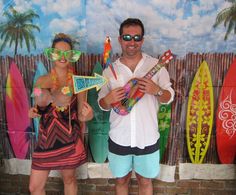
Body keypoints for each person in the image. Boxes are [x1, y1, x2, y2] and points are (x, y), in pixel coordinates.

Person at [98, 18, 174, 195]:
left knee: (145, 181)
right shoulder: (109, 71)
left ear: (142, 40)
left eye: (137, 37)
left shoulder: (156, 66)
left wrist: (156, 91)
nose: (132, 42)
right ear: (119, 39)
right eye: (127, 37)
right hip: (119, 136)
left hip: (147, 137)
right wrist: (108, 99)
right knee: (121, 180)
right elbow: (102, 105)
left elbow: (169, 97)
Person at [28, 33, 93, 195]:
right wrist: (33, 112)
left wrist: (89, 115)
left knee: (69, 180)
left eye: (67, 53)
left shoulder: (79, 82)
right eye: (58, 53)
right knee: (34, 187)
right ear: (51, 54)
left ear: (72, 56)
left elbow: (81, 116)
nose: (62, 57)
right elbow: (37, 108)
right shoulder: (41, 81)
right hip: (45, 140)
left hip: (69, 140)